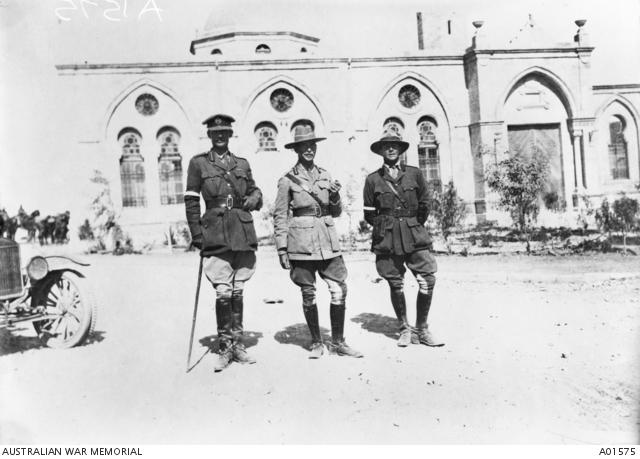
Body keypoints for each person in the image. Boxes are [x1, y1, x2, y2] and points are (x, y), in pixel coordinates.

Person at [273, 121, 363, 359]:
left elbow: (335, 212)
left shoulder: (326, 175)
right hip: (300, 243)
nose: (309, 149)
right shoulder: (287, 180)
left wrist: (334, 195)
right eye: (304, 146)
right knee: (308, 292)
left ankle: (338, 342)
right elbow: (280, 215)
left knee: (338, 289)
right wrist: (282, 249)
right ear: (297, 149)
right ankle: (315, 342)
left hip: (327, 239)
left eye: (312, 145)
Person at [184, 114, 263, 372]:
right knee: (223, 291)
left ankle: (238, 344)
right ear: (209, 135)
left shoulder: (241, 163)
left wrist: (254, 198)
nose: (220, 135)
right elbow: (192, 201)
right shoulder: (198, 164)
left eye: (225, 132)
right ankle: (225, 346)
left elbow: (254, 190)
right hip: (215, 232)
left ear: (230, 135)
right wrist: (197, 235)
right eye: (216, 132)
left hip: (241, 230)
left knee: (238, 290)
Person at [363, 130, 444, 348]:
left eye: (395, 145)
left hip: (414, 233)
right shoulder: (373, 180)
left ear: (400, 150)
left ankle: (422, 329)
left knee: (427, 278)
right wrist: (387, 226)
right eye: (386, 146)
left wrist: (412, 224)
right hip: (388, 237)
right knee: (395, 282)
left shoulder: (414, 174)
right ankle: (404, 328)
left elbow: (425, 204)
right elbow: (369, 214)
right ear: (380, 151)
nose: (391, 148)